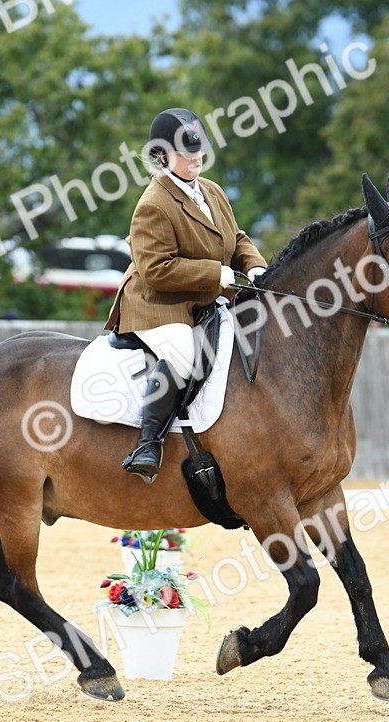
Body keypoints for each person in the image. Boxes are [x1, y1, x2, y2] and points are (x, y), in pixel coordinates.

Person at [105, 108, 267, 482]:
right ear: (162, 156)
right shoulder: (153, 204)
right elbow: (157, 270)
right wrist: (218, 273)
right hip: (158, 302)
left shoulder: (212, 190)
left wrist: (255, 265)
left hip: (204, 296)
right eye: (185, 152)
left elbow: (236, 236)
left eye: (199, 150)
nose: (195, 158)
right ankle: (148, 443)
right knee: (182, 352)